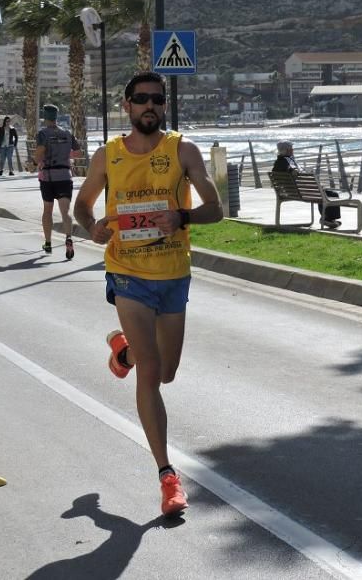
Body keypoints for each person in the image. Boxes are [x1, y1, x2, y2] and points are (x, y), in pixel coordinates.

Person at [73, 72, 224, 517]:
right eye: (141, 100)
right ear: (127, 106)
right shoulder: (108, 156)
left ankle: (124, 351)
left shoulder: (183, 150)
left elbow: (215, 209)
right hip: (128, 273)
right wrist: (92, 227)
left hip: (174, 274)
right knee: (152, 372)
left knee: (167, 371)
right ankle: (167, 475)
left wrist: (182, 216)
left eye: (157, 100)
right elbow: (83, 205)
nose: (150, 106)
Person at [34, 104, 80, 257]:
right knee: (65, 212)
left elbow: (40, 153)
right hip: (65, 176)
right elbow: (78, 151)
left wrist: (34, 163)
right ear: (56, 117)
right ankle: (68, 239)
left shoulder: (42, 134)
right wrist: (66, 157)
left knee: (48, 210)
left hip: (48, 177)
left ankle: (48, 243)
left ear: (45, 117)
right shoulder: (67, 133)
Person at [272, 140, 342, 229]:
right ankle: (327, 219)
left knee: (326, 193)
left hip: (295, 192)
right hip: (303, 191)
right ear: (285, 151)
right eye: (290, 149)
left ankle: (328, 219)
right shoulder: (284, 162)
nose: (293, 150)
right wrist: (293, 171)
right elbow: (291, 171)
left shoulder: (281, 161)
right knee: (332, 194)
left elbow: (278, 173)